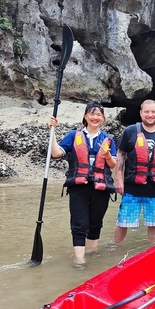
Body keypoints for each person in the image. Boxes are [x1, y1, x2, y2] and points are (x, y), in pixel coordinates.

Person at [48, 102, 117, 266]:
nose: (95, 117)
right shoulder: (74, 135)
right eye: (92, 114)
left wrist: (107, 155)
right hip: (79, 186)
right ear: (85, 116)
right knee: (79, 223)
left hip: (101, 187)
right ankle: (80, 260)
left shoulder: (108, 139)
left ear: (103, 118)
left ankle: (92, 253)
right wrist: (52, 131)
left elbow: (113, 164)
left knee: (95, 223)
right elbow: (56, 153)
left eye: (99, 114)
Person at [113, 99, 155, 243]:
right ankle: (116, 249)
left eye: (153, 112)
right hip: (131, 188)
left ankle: (151, 249)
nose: (150, 115)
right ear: (141, 113)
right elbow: (120, 156)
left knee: (154, 224)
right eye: (146, 111)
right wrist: (118, 180)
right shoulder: (130, 131)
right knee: (123, 223)